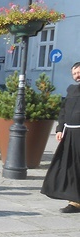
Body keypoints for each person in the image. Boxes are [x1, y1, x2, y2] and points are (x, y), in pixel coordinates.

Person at [42, 61, 80, 213]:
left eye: (79, 72)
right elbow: (63, 111)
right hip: (69, 133)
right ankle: (75, 201)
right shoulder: (71, 90)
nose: (77, 76)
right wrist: (59, 128)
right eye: (74, 74)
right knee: (70, 166)